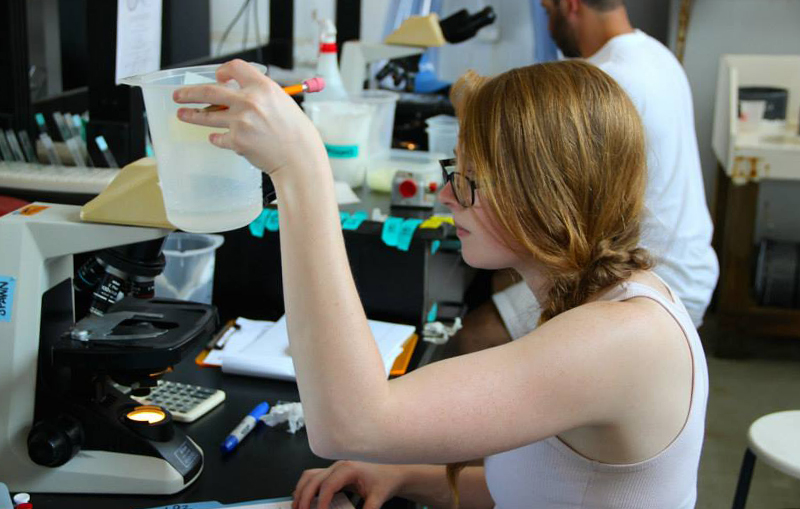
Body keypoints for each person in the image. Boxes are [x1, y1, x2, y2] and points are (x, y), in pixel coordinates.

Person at [175, 59, 708, 508]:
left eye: (471, 179)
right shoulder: (591, 300)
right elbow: (546, 488)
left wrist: (301, 168)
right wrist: (406, 475)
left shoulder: (621, 339)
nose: (448, 196)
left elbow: (350, 425)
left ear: (546, 193)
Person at [455, 0, 719, 357]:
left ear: (571, 5)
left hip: (650, 274)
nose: (548, 27)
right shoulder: (655, 54)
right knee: (503, 280)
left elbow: (546, 198)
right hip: (690, 265)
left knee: (472, 336)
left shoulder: (604, 83)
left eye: (548, 13)